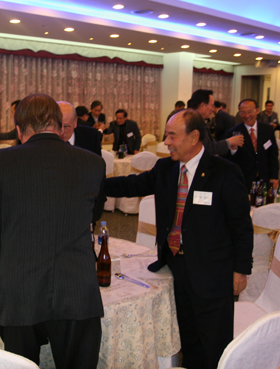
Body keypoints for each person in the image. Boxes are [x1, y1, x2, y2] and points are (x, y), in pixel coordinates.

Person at [104, 109, 253, 369]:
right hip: (176, 267)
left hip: (212, 272)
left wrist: (240, 271)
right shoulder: (166, 168)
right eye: (166, 135)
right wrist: (92, 181)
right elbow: (131, 185)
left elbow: (241, 226)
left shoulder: (225, 172)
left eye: (172, 136)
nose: (166, 142)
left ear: (194, 137)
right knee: (188, 338)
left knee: (213, 343)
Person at [0, 93, 105, 368]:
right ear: (59, 126)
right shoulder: (93, 163)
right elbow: (93, 215)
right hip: (77, 292)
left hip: (19, 293)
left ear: (19, 130)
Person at [226, 99, 279, 191]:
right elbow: (228, 160)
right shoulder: (233, 132)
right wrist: (233, 149)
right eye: (243, 112)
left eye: (250, 111)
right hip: (243, 180)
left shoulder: (268, 130)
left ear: (257, 111)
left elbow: (273, 155)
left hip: (264, 178)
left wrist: (274, 176)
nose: (247, 115)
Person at [187, 89, 243, 155]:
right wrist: (229, 142)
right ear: (202, 106)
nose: (213, 109)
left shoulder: (198, 120)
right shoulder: (193, 122)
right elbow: (206, 148)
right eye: (212, 105)